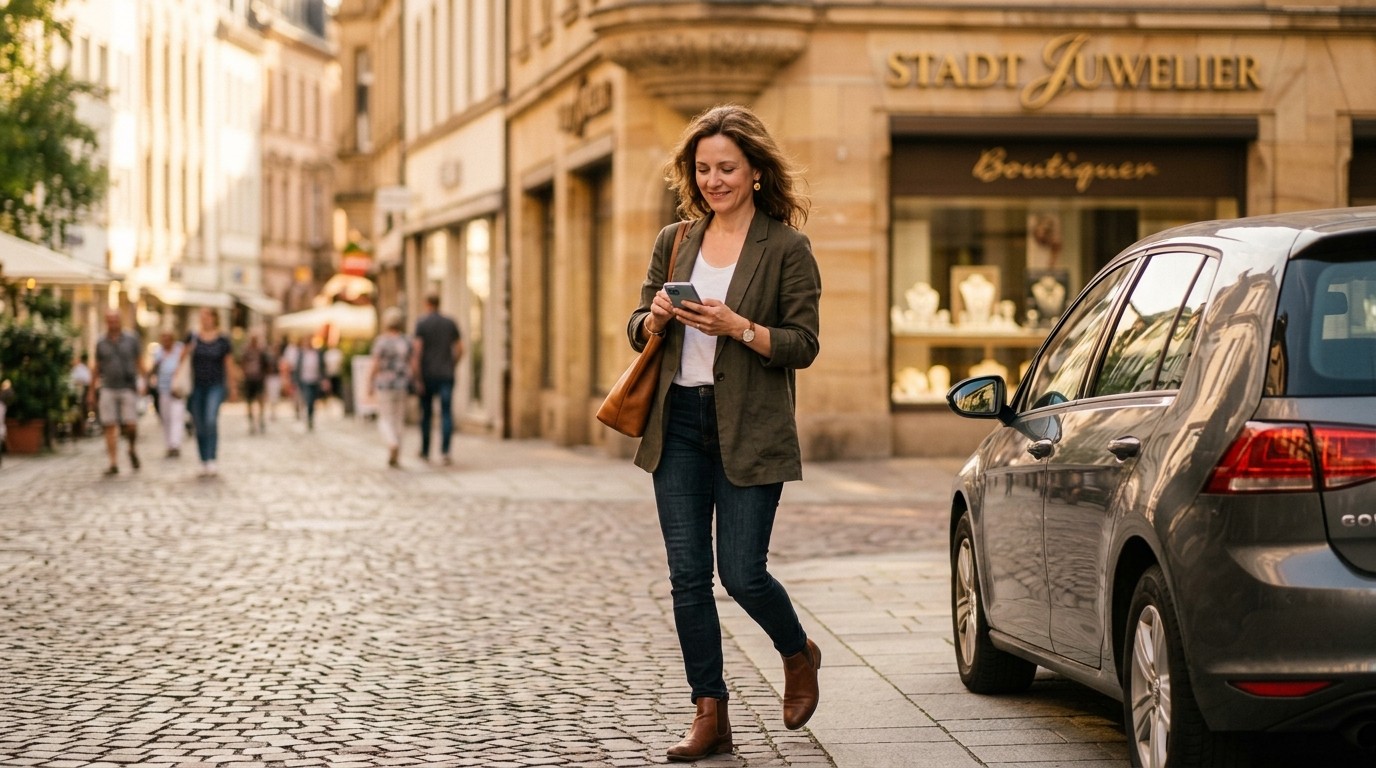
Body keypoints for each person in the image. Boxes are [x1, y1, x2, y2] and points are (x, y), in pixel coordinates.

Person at [624, 104, 822, 762]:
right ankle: (710, 712)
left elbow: (803, 344)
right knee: (687, 578)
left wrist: (738, 327)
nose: (714, 179)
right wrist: (652, 317)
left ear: (756, 172)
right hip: (675, 423)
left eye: (727, 168)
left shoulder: (787, 248)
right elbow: (636, 326)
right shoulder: (676, 240)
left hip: (750, 428)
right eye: (703, 168)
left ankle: (797, 652)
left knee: (742, 574)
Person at [89, 309, 147, 476]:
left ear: (120, 321)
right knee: (109, 424)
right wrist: (92, 391)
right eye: (110, 321)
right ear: (106, 322)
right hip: (108, 387)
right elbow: (96, 367)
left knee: (131, 424)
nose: (113, 324)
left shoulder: (131, 339)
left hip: (128, 386)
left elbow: (139, 361)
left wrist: (144, 381)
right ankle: (113, 462)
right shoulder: (101, 342)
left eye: (115, 320)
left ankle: (131, 448)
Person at [183, 307, 234, 477]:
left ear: (214, 318)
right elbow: (182, 359)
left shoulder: (223, 340)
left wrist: (232, 386)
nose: (204, 319)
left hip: (216, 385)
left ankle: (212, 458)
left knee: (210, 420)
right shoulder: (193, 337)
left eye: (207, 316)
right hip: (196, 386)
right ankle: (203, 459)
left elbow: (228, 364)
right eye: (202, 316)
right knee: (199, 423)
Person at [413, 293, 462, 464]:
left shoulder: (422, 323)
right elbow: (460, 348)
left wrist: (417, 376)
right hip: (446, 374)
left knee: (426, 414)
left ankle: (426, 451)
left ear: (426, 304)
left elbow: (417, 351)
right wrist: (452, 363)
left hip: (427, 375)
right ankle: (445, 452)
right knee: (446, 413)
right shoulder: (450, 323)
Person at [368, 307, 415, 468]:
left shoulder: (382, 341)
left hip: (385, 384)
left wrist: (369, 382)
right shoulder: (406, 340)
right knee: (399, 420)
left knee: (385, 418)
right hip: (402, 384)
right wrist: (416, 380)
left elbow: (375, 363)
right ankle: (396, 455)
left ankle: (391, 442)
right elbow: (413, 363)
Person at [152, 330, 186, 458]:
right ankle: (168, 444)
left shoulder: (180, 349)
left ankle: (175, 444)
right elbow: (155, 367)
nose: (165, 341)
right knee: (166, 418)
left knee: (176, 417)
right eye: (163, 338)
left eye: (168, 338)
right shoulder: (159, 352)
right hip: (163, 389)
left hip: (177, 389)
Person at [238, 332, 271, 434]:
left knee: (260, 400)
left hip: (259, 379)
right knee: (249, 402)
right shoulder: (246, 351)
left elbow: (267, 364)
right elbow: (242, 363)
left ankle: (260, 419)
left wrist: (264, 375)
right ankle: (251, 421)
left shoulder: (261, 351)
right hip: (249, 379)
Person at [291, 337, 326, 430]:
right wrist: (295, 381)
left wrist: (324, 379)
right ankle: (308, 417)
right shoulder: (301, 354)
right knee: (308, 398)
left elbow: (322, 367)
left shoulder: (318, 353)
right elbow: (297, 368)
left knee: (313, 400)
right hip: (304, 380)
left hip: (315, 380)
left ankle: (310, 416)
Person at [70, 353, 93, 436]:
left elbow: (87, 380)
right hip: (74, 394)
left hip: (82, 393)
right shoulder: (74, 369)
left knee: (83, 411)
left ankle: (82, 429)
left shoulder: (82, 369)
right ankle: (77, 429)